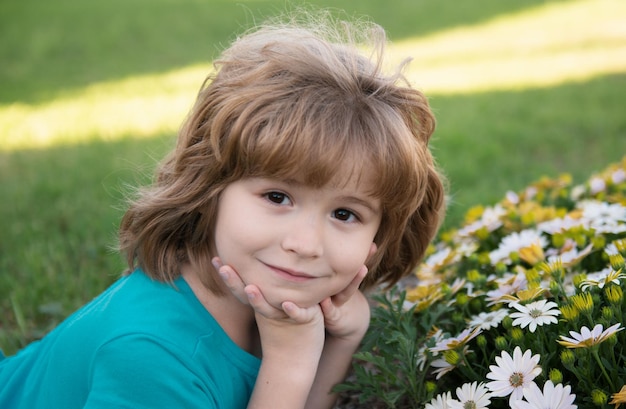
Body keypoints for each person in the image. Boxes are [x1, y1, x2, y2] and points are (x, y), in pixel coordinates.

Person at [0, 12, 445, 409]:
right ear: (208, 189)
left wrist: (337, 343)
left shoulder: (277, 309)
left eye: (345, 214)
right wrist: (288, 366)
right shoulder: (152, 355)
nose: (305, 244)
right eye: (276, 197)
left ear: (377, 239)